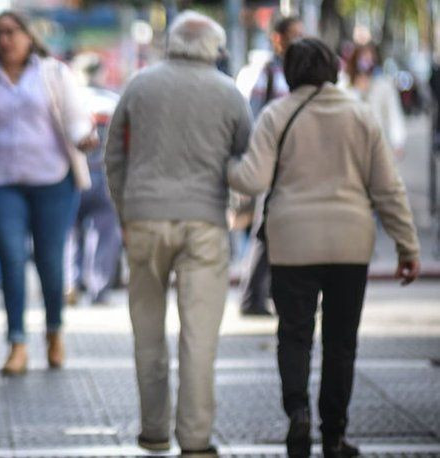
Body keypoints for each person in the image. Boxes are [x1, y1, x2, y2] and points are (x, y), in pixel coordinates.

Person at [228, 38, 420, 458]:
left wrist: (228, 167)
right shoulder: (360, 114)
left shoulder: (276, 115)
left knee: (294, 335)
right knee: (341, 342)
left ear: (291, 71)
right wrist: (407, 245)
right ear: (333, 69)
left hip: (292, 243)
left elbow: (253, 180)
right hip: (350, 244)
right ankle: (334, 434)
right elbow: (388, 188)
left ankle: (297, 413)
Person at [105, 11, 251, 455]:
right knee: (199, 338)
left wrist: (126, 213)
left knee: (147, 333)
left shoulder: (139, 84)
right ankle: (195, 439)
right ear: (215, 48)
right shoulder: (229, 93)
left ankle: (153, 432)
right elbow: (246, 162)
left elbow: (114, 156)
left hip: (145, 219)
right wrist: (239, 210)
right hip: (205, 223)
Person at [0, 10, 96, 375]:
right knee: (12, 260)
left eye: (12, 32)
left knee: (50, 261)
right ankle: (16, 343)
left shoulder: (53, 72)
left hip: (53, 181)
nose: (5, 40)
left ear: (29, 35)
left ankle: (54, 332)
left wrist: (83, 136)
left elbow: (75, 115)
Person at [238, 15, 304, 316]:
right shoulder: (266, 72)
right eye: (293, 34)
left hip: (295, 163)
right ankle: (253, 297)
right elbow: (255, 121)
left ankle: (271, 295)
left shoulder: (299, 69)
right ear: (277, 38)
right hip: (274, 164)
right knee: (266, 229)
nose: (298, 40)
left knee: (283, 229)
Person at [64, 54, 122, 306]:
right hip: (106, 175)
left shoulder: (69, 102)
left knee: (69, 233)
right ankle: (99, 289)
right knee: (104, 234)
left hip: (73, 175)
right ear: (100, 73)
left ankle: (70, 284)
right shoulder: (113, 101)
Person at [346, 43, 407, 157]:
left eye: (370, 59)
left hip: (376, 146)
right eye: (363, 58)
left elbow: (393, 113)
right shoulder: (346, 86)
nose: (366, 63)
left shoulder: (383, 85)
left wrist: (398, 141)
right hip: (352, 146)